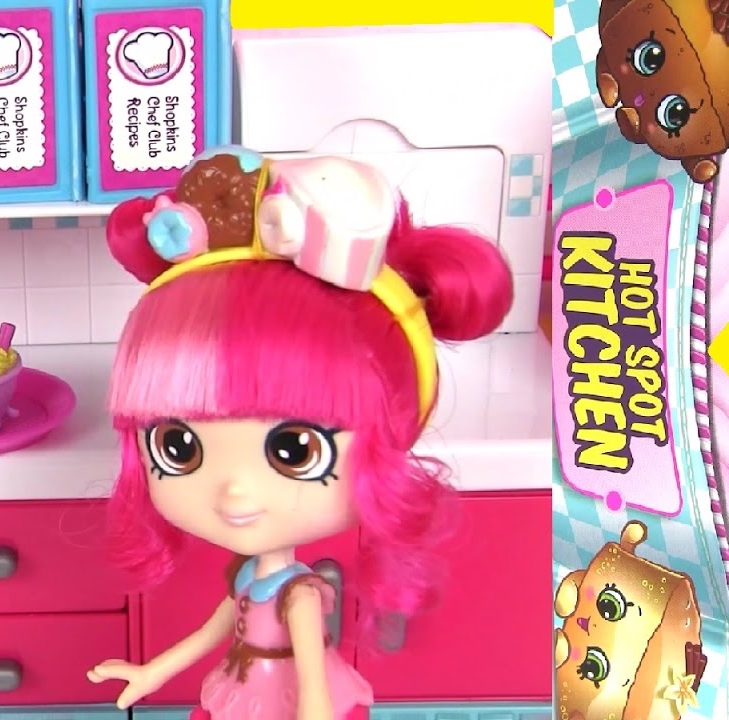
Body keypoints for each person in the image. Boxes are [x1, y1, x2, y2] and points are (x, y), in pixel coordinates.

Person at [86, 148, 514, 720]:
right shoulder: (246, 575)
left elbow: (311, 679)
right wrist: (153, 671)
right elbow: (213, 631)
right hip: (243, 692)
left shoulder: (301, 594)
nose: (235, 492)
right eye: (177, 447)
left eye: (293, 451)